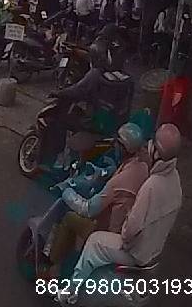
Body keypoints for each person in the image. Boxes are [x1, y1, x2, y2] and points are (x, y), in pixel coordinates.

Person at [62, 124, 183, 302]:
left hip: (136, 252)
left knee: (95, 242)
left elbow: (130, 228)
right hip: (154, 250)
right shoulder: (174, 182)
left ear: (157, 152)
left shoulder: (151, 186)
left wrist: (66, 192)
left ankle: (69, 293)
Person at [41, 123, 149, 280]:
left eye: (117, 143)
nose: (114, 145)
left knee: (70, 218)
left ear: (123, 148)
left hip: (109, 230)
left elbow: (88, 208)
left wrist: (66, 192)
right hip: (126, 223)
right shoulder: (142, 168)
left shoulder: (118, 182)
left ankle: (52, 268)